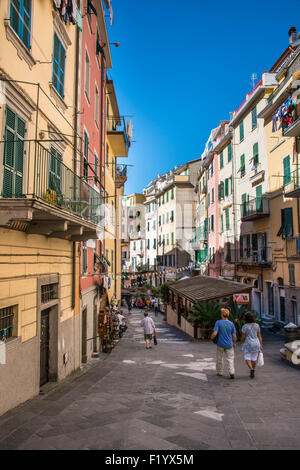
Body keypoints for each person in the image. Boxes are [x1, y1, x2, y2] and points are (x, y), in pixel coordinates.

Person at [211, 308, 237, 379]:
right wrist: (234, 343)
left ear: (222, 314)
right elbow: (234, 335)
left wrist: (212, 337)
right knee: (230, 359)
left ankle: (220, 371)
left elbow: (215, 333)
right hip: (229, 344)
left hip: (220, 344)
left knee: (219, 358)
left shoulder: (218, 322)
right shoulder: (231, 324)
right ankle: (231, 372)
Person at [240, 311, 263, 379]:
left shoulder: (245, 326)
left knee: (247, 357)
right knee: (254, 358)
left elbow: (243, 336)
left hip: (248, 343)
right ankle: (253, 369)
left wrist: (241, 342)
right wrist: (261, 344)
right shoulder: (257, 325)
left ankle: (251, 369)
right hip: (256, 343)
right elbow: (259, 336)